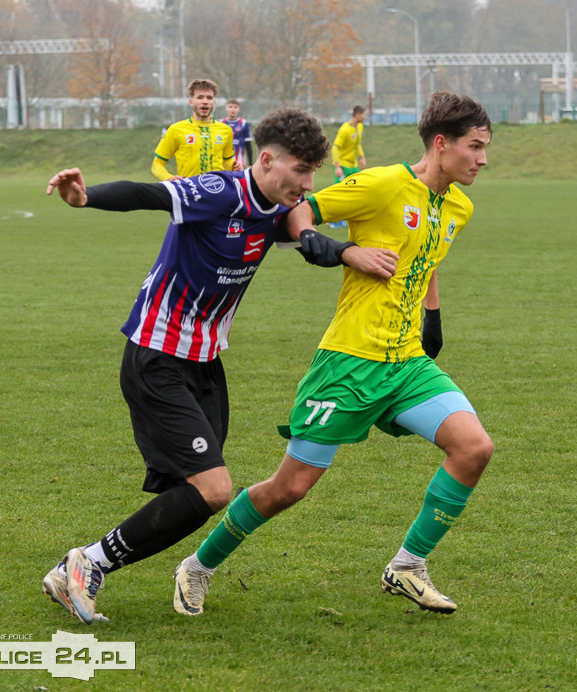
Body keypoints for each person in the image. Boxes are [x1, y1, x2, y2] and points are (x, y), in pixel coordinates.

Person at [41, 108, 398, 625]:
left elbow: (308, 241)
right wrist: (87, 195)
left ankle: (87, 566)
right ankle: (85, 564)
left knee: (199, 495)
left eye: (312, 172)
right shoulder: (219, 192)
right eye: (300, 170)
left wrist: (347, 253)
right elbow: (148, 194)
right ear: (268, 158)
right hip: (158, 355)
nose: (307, 183)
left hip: (205, 363)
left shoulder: (276, 206)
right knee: (215, 489)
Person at [172, 91, 494, 617]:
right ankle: (198, 566)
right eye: (474, 147)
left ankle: (408, 566)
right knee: (289, 488)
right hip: (348, 364)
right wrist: (332, 247)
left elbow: (428, 255)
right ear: (442, 144)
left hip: (406, 363)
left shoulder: (459, 204)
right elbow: (297, 208)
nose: (482, 159)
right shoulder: (385, 183)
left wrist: (432, 320)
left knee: (474, 449)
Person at [152, 79, 239, 181]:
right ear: (191, 102)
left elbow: (227, 161)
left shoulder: (226, 130)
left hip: (217, 191)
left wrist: (234, 166)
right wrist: (169, 177)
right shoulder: (176, 129)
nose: (205, 101)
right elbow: (157, 164)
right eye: (200, 97)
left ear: (213, 102)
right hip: (189, 192)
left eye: (209, 98)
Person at [328, 105, 368, 228]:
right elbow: (335, 149)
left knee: (357, 190)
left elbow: (358, 143)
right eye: (364, 114)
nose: (365, 117)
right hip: (343, 165)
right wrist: (337, 167)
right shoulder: (344, 130)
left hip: (353, 166)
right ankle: (331, 219)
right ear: (357, 115)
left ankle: (348, 216)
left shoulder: (359, 127)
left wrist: (362, 157)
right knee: (339, 192)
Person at [222, 98, 254, 169]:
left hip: (240, 163)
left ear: (239, 109)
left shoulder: (244, 123)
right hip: (223, 163)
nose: (232, 109)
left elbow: (248, 145)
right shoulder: (220, 123)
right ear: (226, 108)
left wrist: (250, 163)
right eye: (230, 107)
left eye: (235, 107)